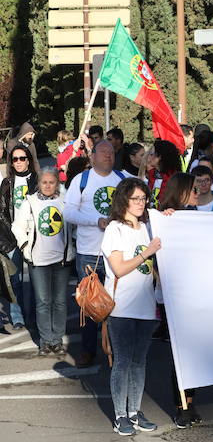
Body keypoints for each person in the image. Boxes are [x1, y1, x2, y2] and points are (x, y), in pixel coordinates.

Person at [101, 178, 162, 435]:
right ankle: (120, 415)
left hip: (146, 306)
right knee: (123, 362)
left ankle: (135, 411)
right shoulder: (115, 229)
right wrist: (146, 252)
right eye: (135, 198)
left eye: (143, 198)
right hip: (121, 308)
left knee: (140, 362)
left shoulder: (148, 227)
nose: (140, 203)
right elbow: (119, 268)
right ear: (124, 200)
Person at [63, 140, 127, 368]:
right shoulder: (82, 181)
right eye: (103, 152)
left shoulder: (123, 178)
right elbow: (68, 213)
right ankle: (88, 350)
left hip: (117, 253)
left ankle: (116, 349)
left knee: (118, 303)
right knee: (89, 305)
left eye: (111, 152)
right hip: (89, 253)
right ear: (93, 155)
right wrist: (95, 221)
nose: (108, 156)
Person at [155, 173, 203, 428]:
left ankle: (191, 401)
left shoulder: (195, 215)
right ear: (181, 191)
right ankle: (180, 406)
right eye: (193, 188)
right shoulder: (165, 219)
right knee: (181, 355)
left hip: (198, 295)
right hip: (175, 297)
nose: (197, 191)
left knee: (195, 353)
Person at [12, 168, 72, 356]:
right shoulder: (30, 202)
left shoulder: (65, 201)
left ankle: (57, 339)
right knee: (43, 301)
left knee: (60, 302)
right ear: (38, 183)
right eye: (44, 182)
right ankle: (46, 341)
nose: (47, 186)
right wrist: (25, 247)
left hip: (61, 260)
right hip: (38, 260)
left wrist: (74, 245)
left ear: (57, 183)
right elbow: (17, 227)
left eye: (51, 182)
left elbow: (75, 224)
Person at [1, 144, 38, 330]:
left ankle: (32, 316)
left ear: (28, 160)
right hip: (11, 237)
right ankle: (18, 317)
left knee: (32, 279)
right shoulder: (7, 183)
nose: (18, 162)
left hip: (34, 236)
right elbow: (2, 212)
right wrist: (6, 239)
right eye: (14, 159)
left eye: (22, 158)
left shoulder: (37, 180)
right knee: (15, 280)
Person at [146, 140, 182, 208]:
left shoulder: (175, 178)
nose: (149, 157)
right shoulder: (151, 174)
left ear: (160, 157)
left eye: (152, 154)